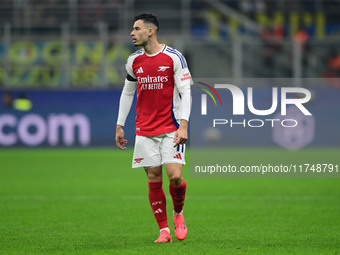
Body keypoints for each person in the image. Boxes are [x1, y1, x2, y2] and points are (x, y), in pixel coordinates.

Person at [115, 13, 192, 243]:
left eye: (136, 28)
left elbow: (186, 91)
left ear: (150, 31)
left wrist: (184, 125)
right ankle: (164, 231)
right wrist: (120, 125)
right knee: (154, 179)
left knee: (175, 176)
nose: (132, 32)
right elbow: (128, 93)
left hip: (171, 127)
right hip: (145, 130)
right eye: (132, 29)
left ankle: (178, 214)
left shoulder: (174, 57)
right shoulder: (133, 61)